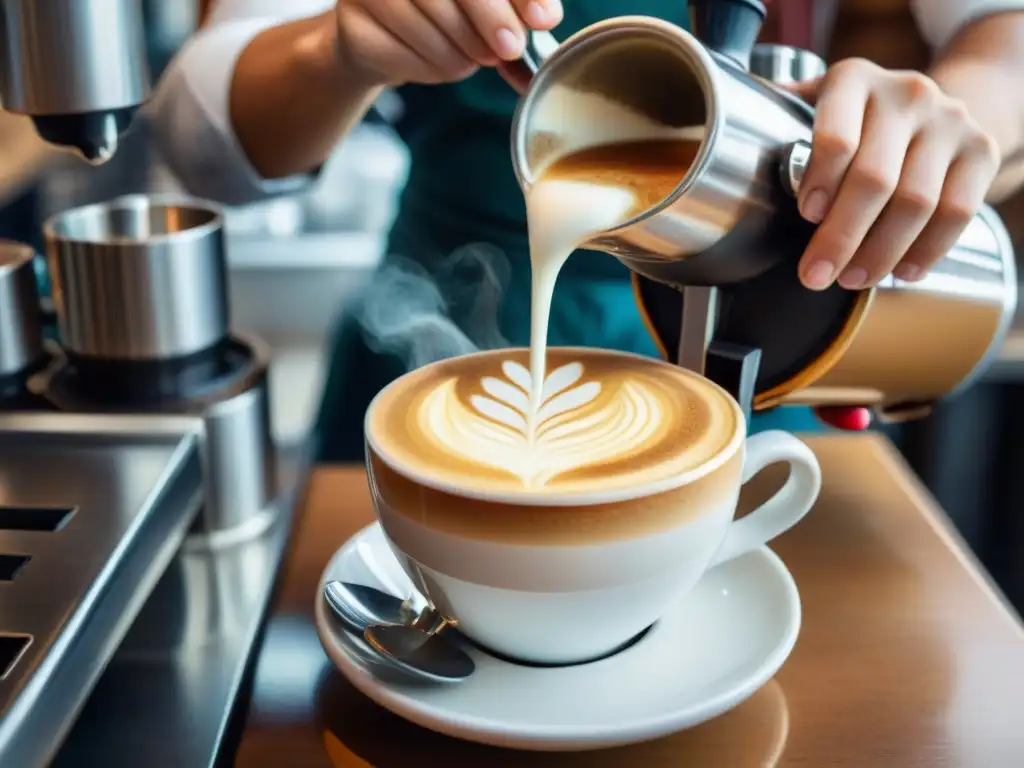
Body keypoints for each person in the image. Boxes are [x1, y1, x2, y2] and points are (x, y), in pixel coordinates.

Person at [150, 0, 1024, 461]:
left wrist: (926, 139)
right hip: (439, 347)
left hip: (764, 335)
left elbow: (1005, 29)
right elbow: (198, 139)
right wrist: (335, 47)